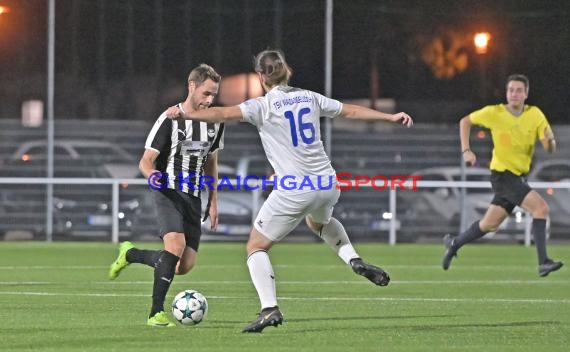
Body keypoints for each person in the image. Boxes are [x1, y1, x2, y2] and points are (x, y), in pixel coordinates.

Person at [165, 49, 413, 333]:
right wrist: (390, 117)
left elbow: (223, 113)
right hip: (327, 182)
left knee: (255, 247)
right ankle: (353, 259)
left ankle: (269, 309)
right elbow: (352, 110)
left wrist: (186, 113)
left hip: (295, 188)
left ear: (260, 77)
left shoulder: (262, 106)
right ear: (288, 71)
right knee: (319, 222)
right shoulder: (311, 97)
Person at [108, 64, 225, 327]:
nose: (210, 100)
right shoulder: (170, 119)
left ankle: (131, 254)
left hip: (193, 197)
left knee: (183, 266)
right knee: (175, 246)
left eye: (213, 95)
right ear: (192, 86)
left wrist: (213, 198)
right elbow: (146, 160)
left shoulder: (215, 123)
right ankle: (155, 313)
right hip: (168, 191)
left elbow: (211, 161)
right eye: (206, 93)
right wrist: (152, 176)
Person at [442, 74, 563, 277]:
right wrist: (466, 150)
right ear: (506, 93)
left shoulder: (535, 114)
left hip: (518, 177)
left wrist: (550, 141)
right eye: (511, 90)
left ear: (526, 93)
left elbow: (549, 147)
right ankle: (543, 262)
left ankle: (454, 243)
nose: (514, 94)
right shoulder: (494, 112)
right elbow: (465, 121)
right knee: (541, 208)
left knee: (489, 224)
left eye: (518, 90)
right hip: (503, 176)